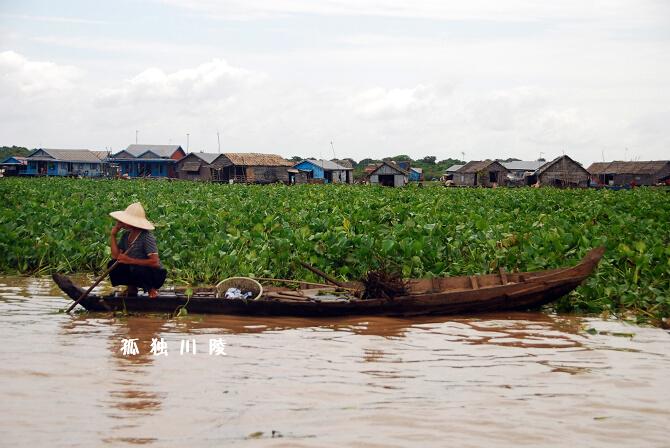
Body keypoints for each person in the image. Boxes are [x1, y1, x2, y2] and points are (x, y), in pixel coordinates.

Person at [108, 202, 167, 298]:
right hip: (135, 270)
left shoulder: (146, 237)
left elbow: (155, 262)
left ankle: (151, 289)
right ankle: (132, 288)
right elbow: (116, 256)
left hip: (154, 275)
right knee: (113, 264)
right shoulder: (126, 235)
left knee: (138, 268)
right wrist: (113, 235)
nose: (122, 223)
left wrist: (130, 260)